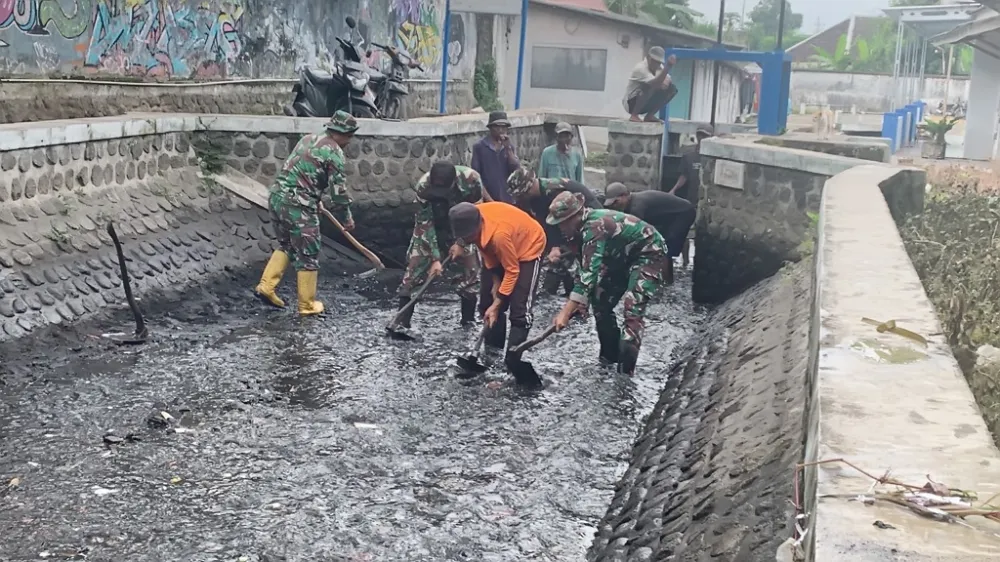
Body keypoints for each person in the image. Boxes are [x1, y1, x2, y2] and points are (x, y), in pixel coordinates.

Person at [546, 191, 669, 376]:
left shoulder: (594, 227)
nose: (560, 227)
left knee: (632, 308)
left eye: (562, 222)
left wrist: (564, 312)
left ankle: (624, 376)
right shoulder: (576, 233)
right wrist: (581, 302)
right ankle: (608, 360)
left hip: (649, 252)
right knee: (600, 301)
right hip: (621, 257)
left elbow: (588, 275)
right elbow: (586, 267)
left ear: (575, 216)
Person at [254, 110, 358, 316]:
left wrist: (315, 199)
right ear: (345, 134)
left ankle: (266, 287)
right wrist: (346, 217)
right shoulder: (334, 152)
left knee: (287, 244)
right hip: (298, 205)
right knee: (308, 253)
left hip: (277, 197)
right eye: (350, 136)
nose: (349, 141)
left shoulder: (308, 138)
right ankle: (307, 305)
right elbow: (338, 192)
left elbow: (301, 171)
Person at [391, 161, 492, 331]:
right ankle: (401, 322)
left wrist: (460, 243)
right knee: (413, 271)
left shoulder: (471, 180)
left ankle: (467, 323)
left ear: (454, 182)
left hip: (463, 225)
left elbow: (476, 215)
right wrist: (435, 258)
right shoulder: (423, 186)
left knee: (471, 273)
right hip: (433, 226)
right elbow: (424, 224)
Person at [449, 202, 546, 366]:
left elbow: (512, 270)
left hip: (528, 246)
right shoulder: (468, 215)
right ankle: (492, 356)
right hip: (501, 243)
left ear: (479, 225)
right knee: (487, 303)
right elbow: (487, 252)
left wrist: (499, 301)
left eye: (469, 237)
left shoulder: (499, 235)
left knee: (520, 310)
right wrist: (495, 283)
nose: (468, 240)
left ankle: (512, 361)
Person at [507, 165, 602, 296]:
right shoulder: (535, 197)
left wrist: (557, 246)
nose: (522, 198)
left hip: (585, 222)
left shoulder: (555, 191)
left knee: (580, 261)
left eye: (522, 194)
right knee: (559, 260)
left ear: (528, 188)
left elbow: (564, 219)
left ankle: (579, 297)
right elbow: (547, 223)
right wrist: (553, 246)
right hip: (566, 224)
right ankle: (561, 293)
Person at [603, 182, 695, 284]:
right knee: (667, 240)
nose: (615, 206)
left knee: (664, 248)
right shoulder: (630, 203)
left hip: (684, 212)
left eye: (616, 202)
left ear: (625, 195)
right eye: (612, 204)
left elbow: (635, 234)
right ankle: (683, 265)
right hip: (669, 215)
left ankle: (666, 282)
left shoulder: (637, 206)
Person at [668, 126, 712, 267]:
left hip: (708, 202)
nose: (701, 138)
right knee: (685, 231)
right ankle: (685, 262)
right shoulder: (688, 157)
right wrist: (673, 190)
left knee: (704, 234)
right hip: (691, 200)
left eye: (705, 135)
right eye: (699, 135)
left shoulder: (711, 157)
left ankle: (701, 263)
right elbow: (684, 176)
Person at [471, 111, 520, 203]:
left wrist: (508, 149)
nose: (501, 130)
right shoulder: (480, 147)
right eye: (497, 127)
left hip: (507, 199)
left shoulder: (509, 147)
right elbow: (476, 177)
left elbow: (516, 169)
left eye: (504, 127)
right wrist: (489, 199)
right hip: (488, 198)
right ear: (491, 128)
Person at [623, 46, 678, 123]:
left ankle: (650, 115)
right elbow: (654, 84)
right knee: (649, 86)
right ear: (648, 58)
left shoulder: (659, 67)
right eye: (654, 61)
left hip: (645, 102)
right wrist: (667, 67)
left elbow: (668, 81)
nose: (656, 65)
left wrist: (664, 82)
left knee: (672, 89)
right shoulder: (640, 68)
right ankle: (634, 115)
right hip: (631, 104)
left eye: (658, 62)